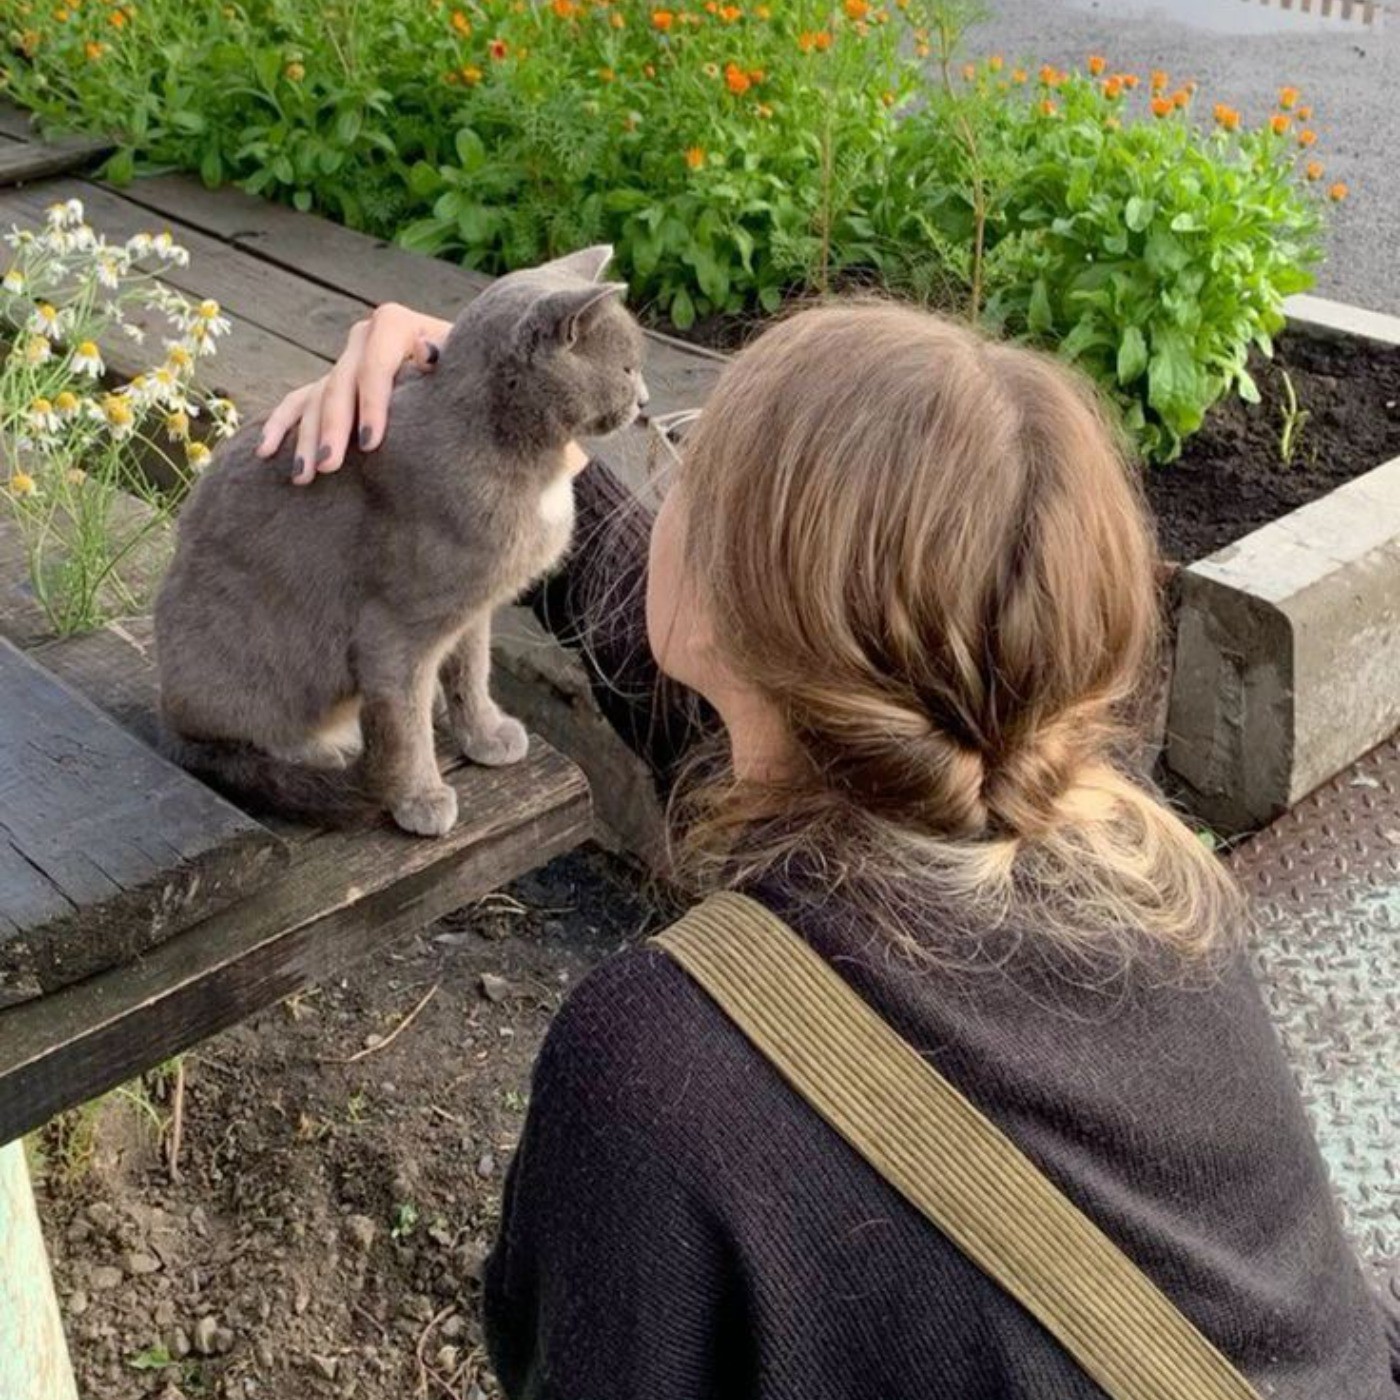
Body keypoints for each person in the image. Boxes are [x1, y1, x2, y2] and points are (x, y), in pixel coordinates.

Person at [260, 296, 1400, 1399]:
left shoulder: (658, 1069)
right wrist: (490, 383)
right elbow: (709, 682)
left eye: (693, 464)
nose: (670, 483)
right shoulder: (1122, 849)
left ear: (724, 601)